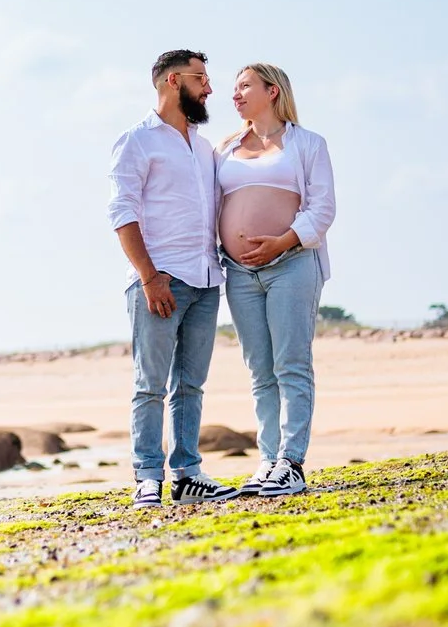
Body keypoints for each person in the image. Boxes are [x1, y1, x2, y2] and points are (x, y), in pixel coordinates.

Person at [108, 49, 234, 507]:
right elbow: (123, 213)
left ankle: (186, 473)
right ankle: (147, 475)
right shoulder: (138, 140)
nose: (209, 88)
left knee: (190, 384)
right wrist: (148, 277)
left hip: (205, 279)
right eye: (201, 79)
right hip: (159, 280)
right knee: (149, 384)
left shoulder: (203, 146)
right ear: (172, 81)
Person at [215, 63, 336, 496]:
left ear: (272, 90)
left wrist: (282, 242)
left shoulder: (307, 144)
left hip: (293, 263)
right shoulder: (224, 149)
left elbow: (322, 210)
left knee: (291, 364)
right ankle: (268, 461)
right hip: (240, 273)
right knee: (259, 370)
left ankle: (292, 463)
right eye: (233, 88)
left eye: (244, 86)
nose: (235, 94)